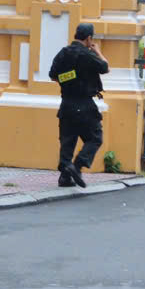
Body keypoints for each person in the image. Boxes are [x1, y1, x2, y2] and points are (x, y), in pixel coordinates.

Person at [48, 22, 110, 188]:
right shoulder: (87, 55)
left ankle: (65, 177)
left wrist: (70, 78)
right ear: (89, 38)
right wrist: (97, 51)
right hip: (84, 104)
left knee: (68, 140)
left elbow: (53, 76)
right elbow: (105, 67)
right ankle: (77, 165)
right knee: (95, 137)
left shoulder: (63, 53)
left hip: (66, 104)